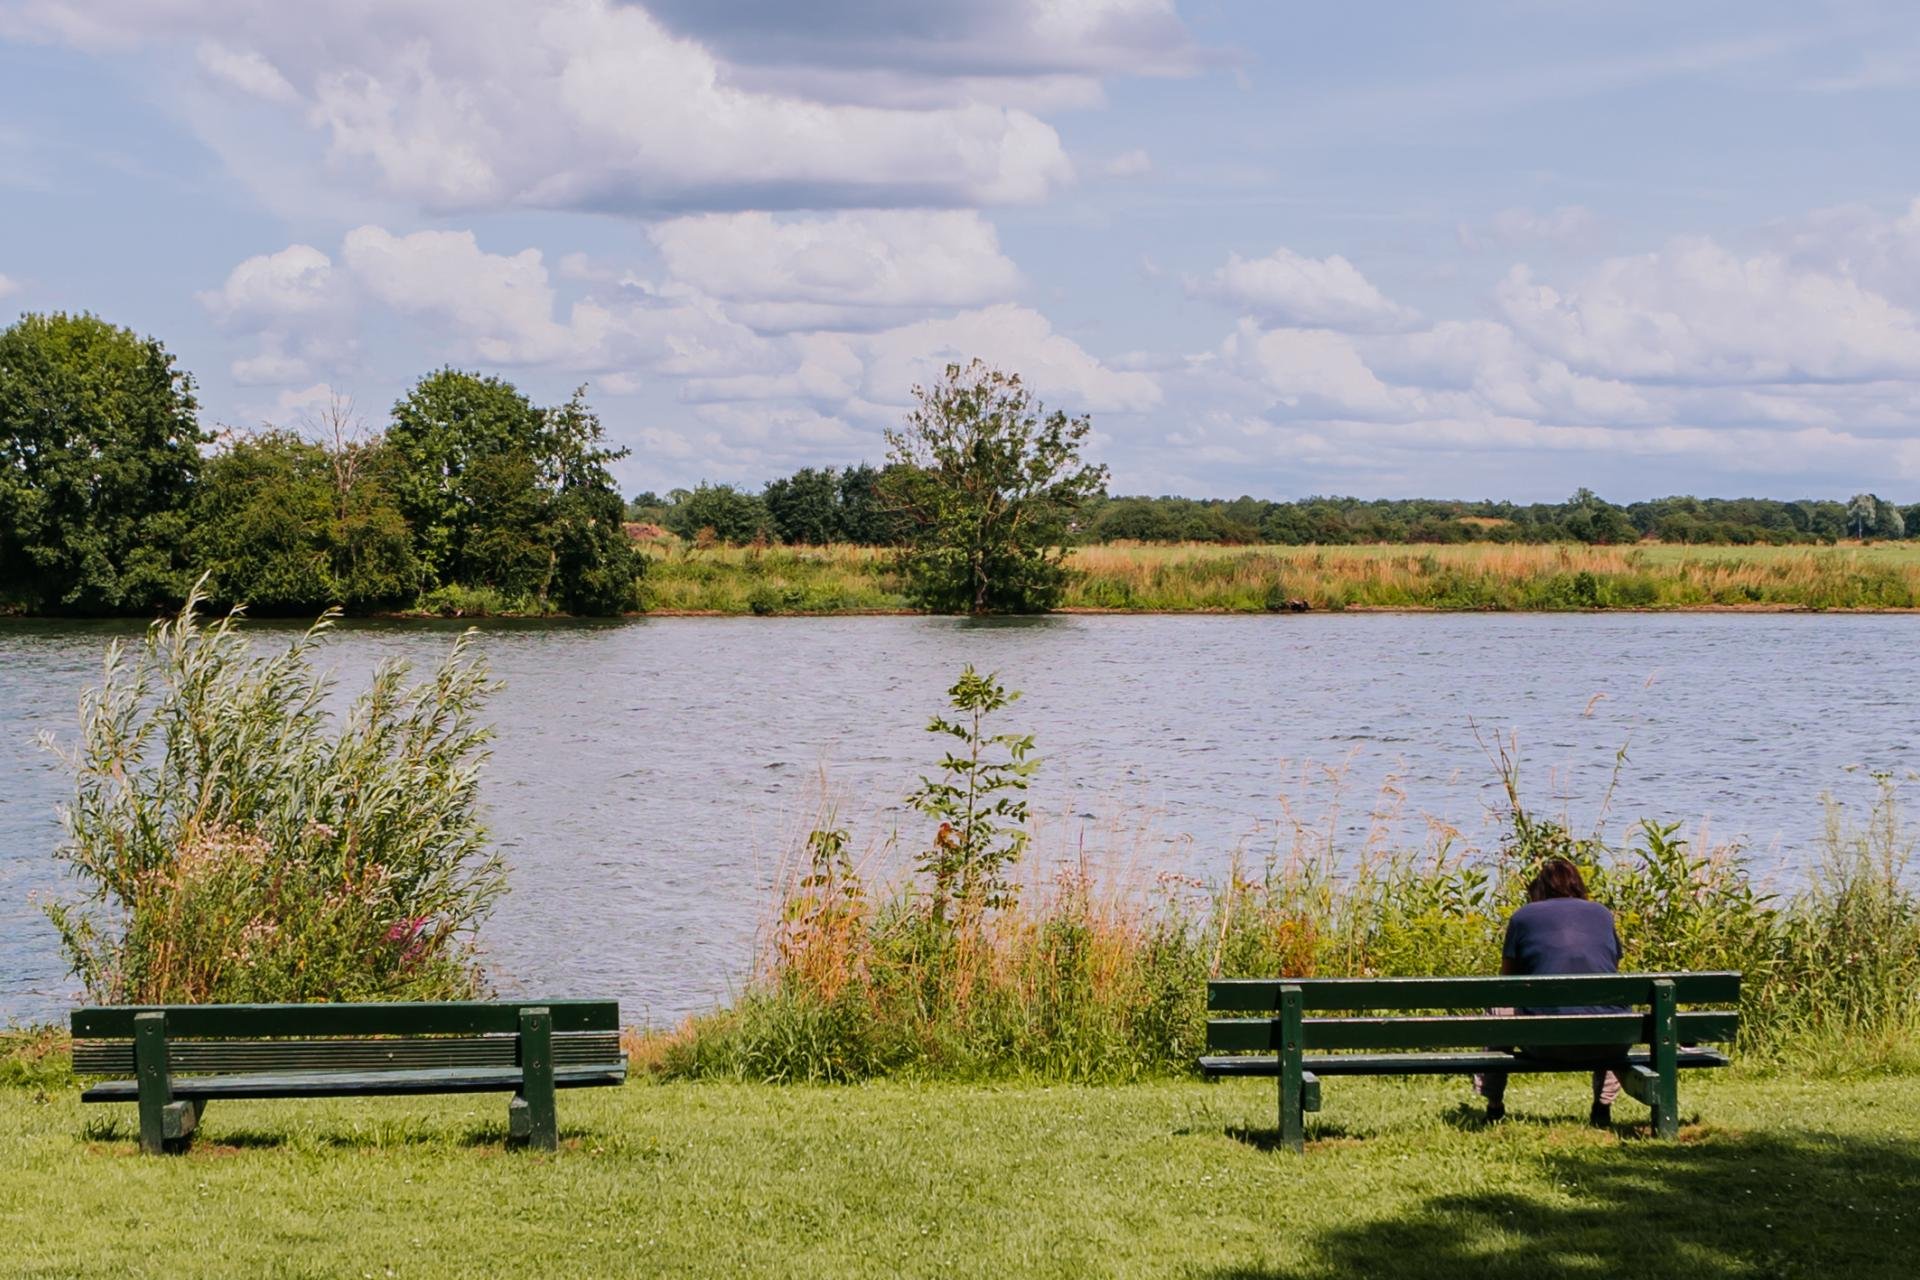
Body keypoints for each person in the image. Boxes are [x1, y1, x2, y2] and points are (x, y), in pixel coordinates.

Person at [1474, 857, 1626, 1127]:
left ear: (1540, 888)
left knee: (1497, 1007)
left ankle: (1494, 1105)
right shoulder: (1602, 913)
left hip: (1546, 1043)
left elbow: (1506, 983)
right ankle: (1602, 1107)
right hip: (1606, 1043)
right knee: (1610, 1012)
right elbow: (1611, 967)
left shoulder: (1523, 916)